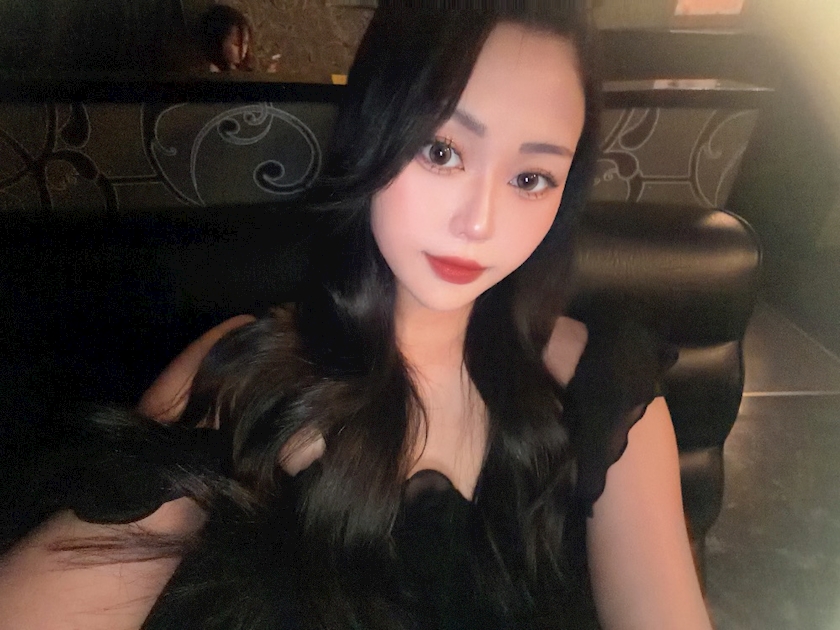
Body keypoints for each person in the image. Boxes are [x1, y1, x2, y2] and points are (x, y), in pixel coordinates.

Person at [0, 5, 713, 630]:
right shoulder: (247, 371)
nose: (480, 223)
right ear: (376, 133)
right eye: (441, 151)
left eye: (531, 178)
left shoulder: (603, 387)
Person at [199, 4, 255, 72]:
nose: (243, 50)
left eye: (245, 43)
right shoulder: (211, 72)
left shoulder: (242, 70)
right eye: (236, 44)